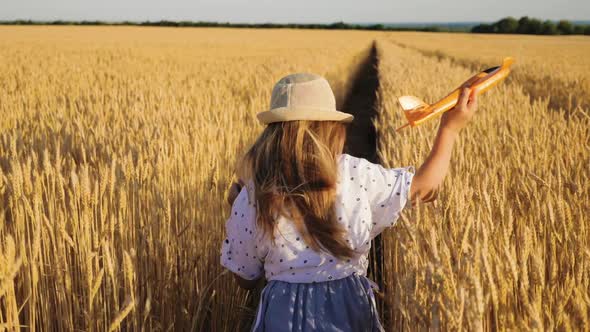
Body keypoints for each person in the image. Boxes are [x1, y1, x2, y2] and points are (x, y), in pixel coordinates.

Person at [220, 73, 478, 331]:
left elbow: (245, 277)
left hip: (282, 318)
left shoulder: (254, 195)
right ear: (333, 128)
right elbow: (423, 188)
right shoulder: (357, 174)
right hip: (349, 310)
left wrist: (235, 208)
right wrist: (449, 129)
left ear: (272, 134)